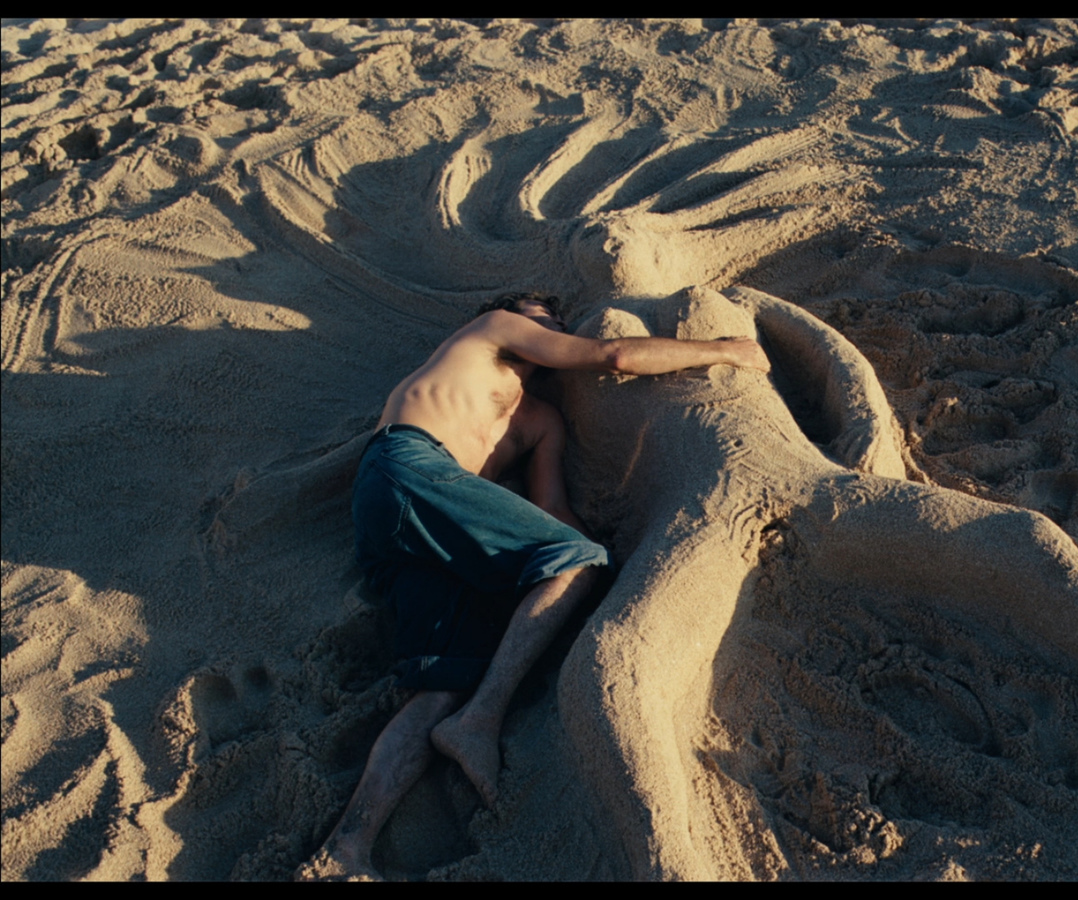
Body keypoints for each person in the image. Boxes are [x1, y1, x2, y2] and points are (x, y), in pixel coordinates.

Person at [299, 292, 770, 880]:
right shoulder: (491, 330)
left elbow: (553, 514)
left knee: (441, 686)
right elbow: (615, 356)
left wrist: (609, 567)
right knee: (576, 561)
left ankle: (346, 846)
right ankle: (481, 720)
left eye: (559, 322)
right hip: (405, 466)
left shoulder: (539, 422)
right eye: (545, 318)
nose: (556, 327)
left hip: (431, 534)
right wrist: (727, 352)